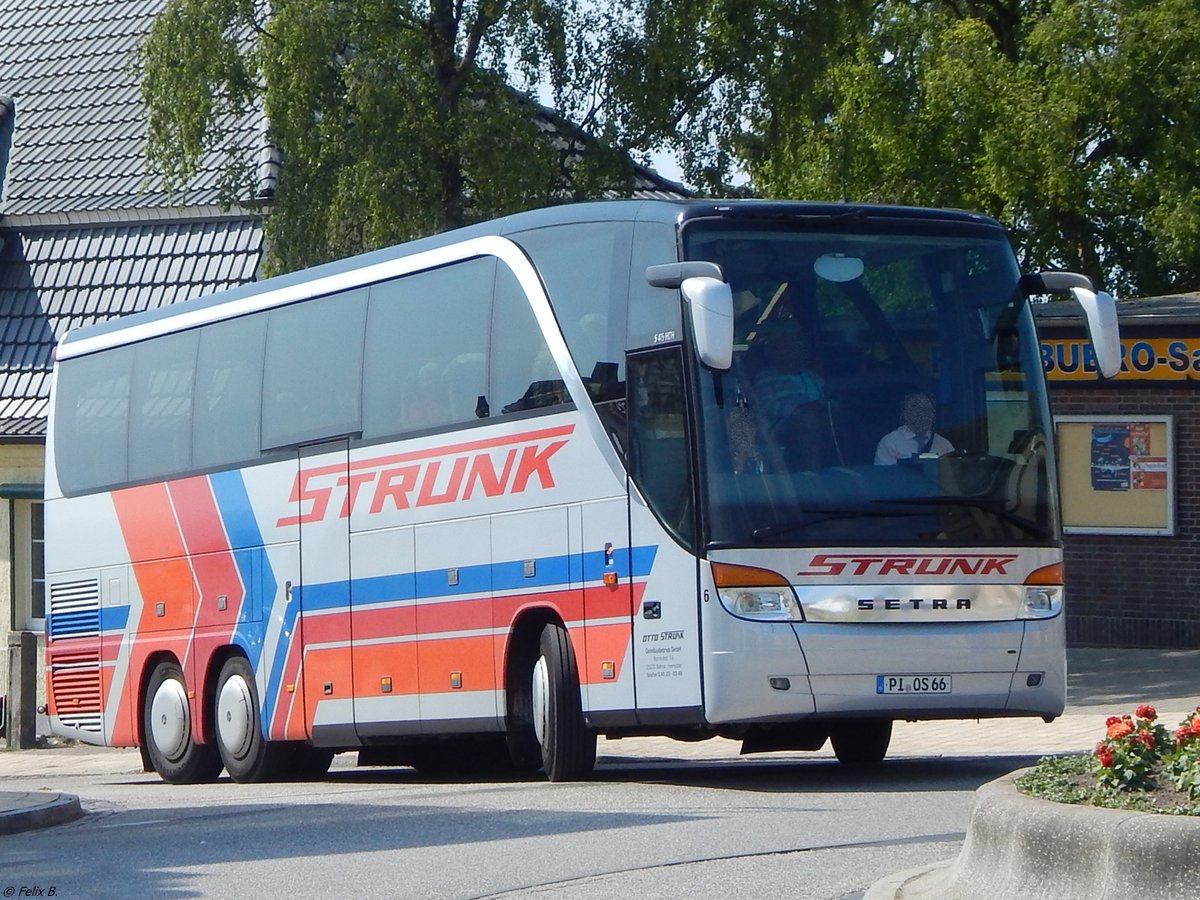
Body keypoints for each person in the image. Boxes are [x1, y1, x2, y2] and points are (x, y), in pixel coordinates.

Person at [749, 319, 826, 469]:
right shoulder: (766, 377)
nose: (788, 352)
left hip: (820, 416)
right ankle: (814, 469)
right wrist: (797, 411)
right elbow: (765, 404)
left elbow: (825, 395)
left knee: (835, 411)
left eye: (794, 347)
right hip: (783, 426)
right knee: (808, 419)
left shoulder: (811, 376)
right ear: (771, 353)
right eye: (782, 348)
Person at [875, 392, 953, 465]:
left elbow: (954, 475)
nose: (922, 414)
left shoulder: (943, 444)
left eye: (926, 410)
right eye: (916, 409)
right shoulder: (890, 443)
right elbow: (884, 477)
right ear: (905, 414)